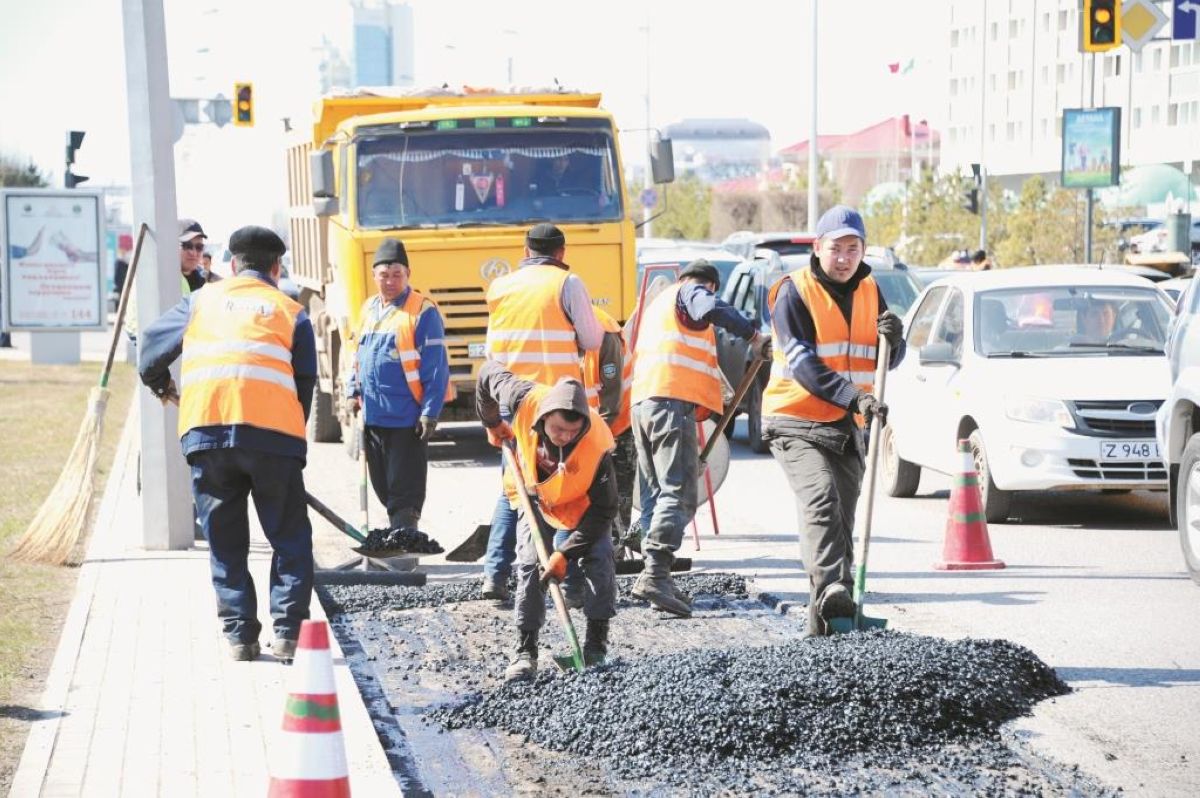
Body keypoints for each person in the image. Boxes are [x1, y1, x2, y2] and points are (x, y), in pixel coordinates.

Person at [138, 225, 318, 662]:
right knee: (290, 537)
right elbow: (305, 383)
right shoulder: (291, 311)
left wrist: (161, 384)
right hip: (274, 439)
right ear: (276, 267)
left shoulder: (200, 300)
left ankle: (240, 637)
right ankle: (289, 633)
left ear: (231, 264)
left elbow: (149, 353)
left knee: (225, 539)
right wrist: (293, 439)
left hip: (208, 434)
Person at [760, 205, 906, 638]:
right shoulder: (792, 292)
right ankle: (833, 591)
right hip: (794, 418)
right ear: (817, 247)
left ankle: (822, 632)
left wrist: (894, 342)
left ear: (863, 251)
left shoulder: (870, 290)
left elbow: (883, 360)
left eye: (853, 249)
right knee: (820, 501)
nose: (844, 258)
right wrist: (856, 398)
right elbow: (804, 364)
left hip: (846, 426)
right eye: (835, 248)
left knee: (841, 524)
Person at [630, 258, 771, 617]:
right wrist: (754, 335)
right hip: (669, 403)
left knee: (656, 495)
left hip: (644, 404)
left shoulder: (658, 306)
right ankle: (655, 574)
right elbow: (708, 305)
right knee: (679, 493)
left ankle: (656, 574)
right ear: (708, 284)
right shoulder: (691, 293)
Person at [478, 223, 604, 600]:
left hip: (513, 402)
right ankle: (565, 582)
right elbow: (593, 339)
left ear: (526, 250)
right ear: (562, 252)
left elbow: (491, 353)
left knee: (513, 488)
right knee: (563, 490)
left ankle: (494, 576)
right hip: (555, 406)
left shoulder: (500, 286)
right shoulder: (567, 284)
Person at [476, 361, 618, 681]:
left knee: (600, 557)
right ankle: (525, 651)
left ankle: (595, 647)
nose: (564, 437)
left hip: (581, 506)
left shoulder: (597, 446)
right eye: (557, 429)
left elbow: (604, 510)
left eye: (572, 431)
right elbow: (486, 374)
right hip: (535, 495)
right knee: (530, 562)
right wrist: (491, 421)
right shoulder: (523, 398)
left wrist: (564, 553)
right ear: (543, 418)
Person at [345, 238, 450, 530]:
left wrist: (430, 411)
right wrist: (352, 391)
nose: (390, 282)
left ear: (408, 275)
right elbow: (356, 354)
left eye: (396, 275)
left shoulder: (423, 312)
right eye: (384, 275)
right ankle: (395, 537)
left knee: (405, 491)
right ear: (374, 276)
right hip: (374, 416)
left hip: (407, 418)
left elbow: (436, 367)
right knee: (383, 486)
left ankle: (405, 547)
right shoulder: (368, 309)